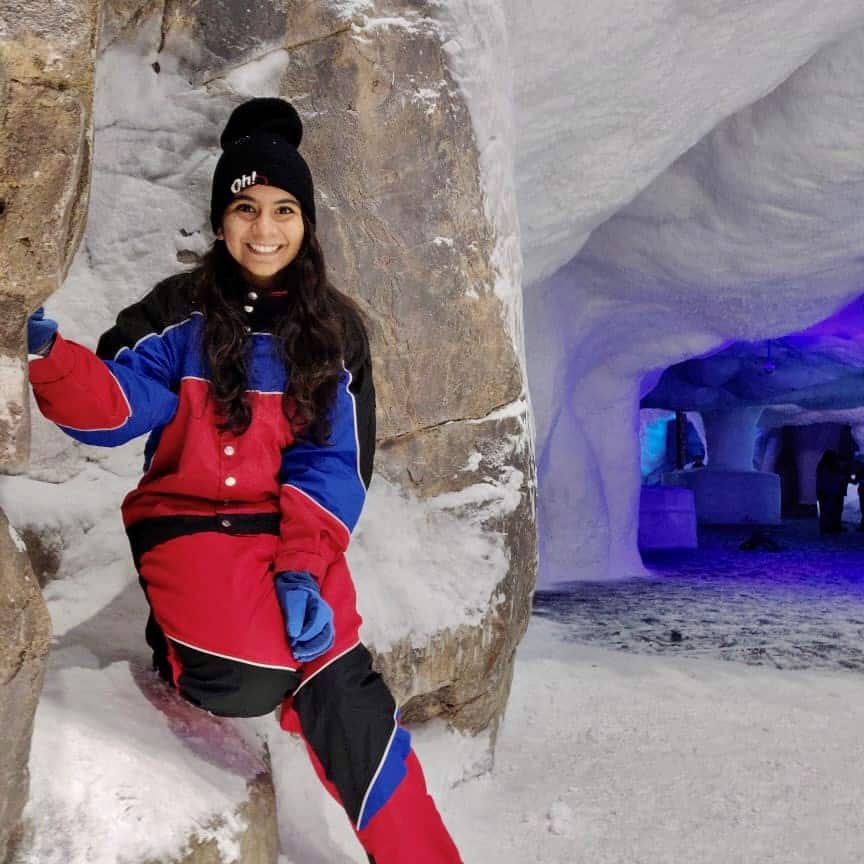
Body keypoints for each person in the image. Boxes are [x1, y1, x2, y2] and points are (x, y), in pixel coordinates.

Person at [27, 97, 462, 864]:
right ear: (221, 220)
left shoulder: (336, 328)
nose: (265, 230)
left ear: (307, 220)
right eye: (246, 208)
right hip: (187, 527)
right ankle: (179, 649)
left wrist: (301, 570)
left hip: (286, 533)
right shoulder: (173, 313)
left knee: (343, 690)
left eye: (284, 210)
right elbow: (116, 409)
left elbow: (329, 467)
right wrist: (50, 358)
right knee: (254, 677)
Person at [815, 449, 850, 534]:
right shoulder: (827, 468)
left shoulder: (823, 467)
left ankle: (828, 527)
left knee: (827, 510)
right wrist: (841, 478)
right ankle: (828, 527)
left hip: (825, 491)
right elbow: (830, 480)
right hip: (828, 492)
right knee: (828, 510)